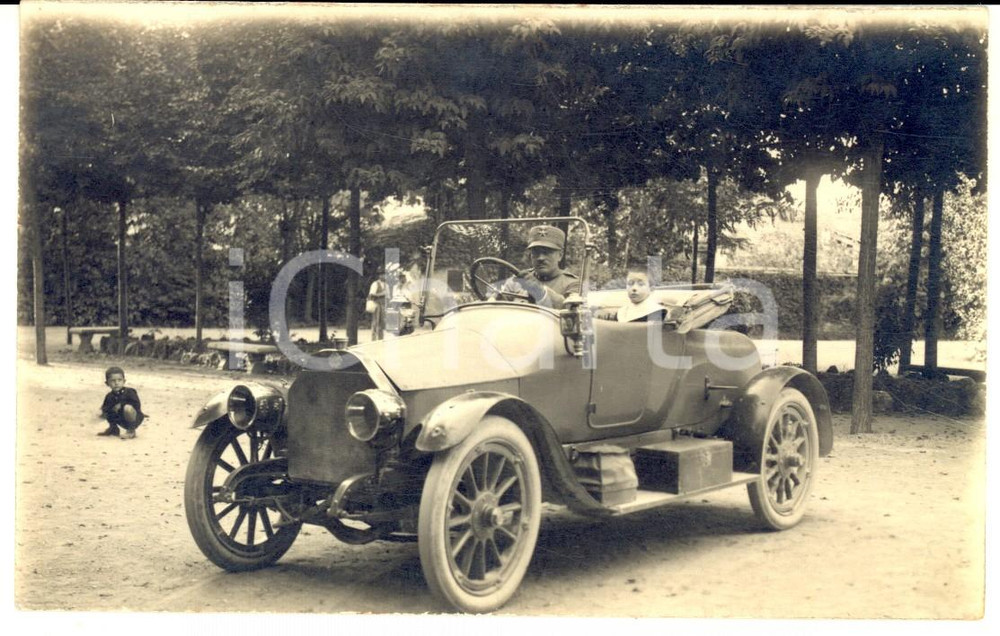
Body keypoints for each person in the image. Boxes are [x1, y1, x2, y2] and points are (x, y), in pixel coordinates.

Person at [500, 224, 581, 308]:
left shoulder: (572, 284)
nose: (540, 258)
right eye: (536, 252)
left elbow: (569, 309)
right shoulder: (516, 281)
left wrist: (539, 290)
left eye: (547, 252)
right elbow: (497, 309)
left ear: (560, 255)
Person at [600, 267, 666, 322]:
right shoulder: (622, 312)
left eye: (641, 284)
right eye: (630, 284)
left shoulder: (657, 313)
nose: (634, 288)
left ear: (651, 289)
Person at [97, 366, 145, 440]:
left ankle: (131, 430)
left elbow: (136, 405)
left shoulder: (130, 392)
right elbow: (105, 408)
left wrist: (121, 405)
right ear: (107, 383)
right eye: (113, 381)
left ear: (124, 381)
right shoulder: (109, 396)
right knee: (108, 409)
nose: (116, 383)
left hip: (134, 417)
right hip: (120, 419)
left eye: (119, 380)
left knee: (127, 408)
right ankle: (113, 428)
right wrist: (103, 413)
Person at [367, 268, 387, 341]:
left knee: (382, 323)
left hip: (383, 305)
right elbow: (371, 295)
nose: (384, 276)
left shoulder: (386, 285)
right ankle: (373, 339)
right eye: (382, 274)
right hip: (376, 304)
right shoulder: (375, 284)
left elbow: (388, 296)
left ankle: (381, 339)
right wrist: (381, 294)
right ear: (379, 276)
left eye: (385, 274)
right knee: (375, 322)